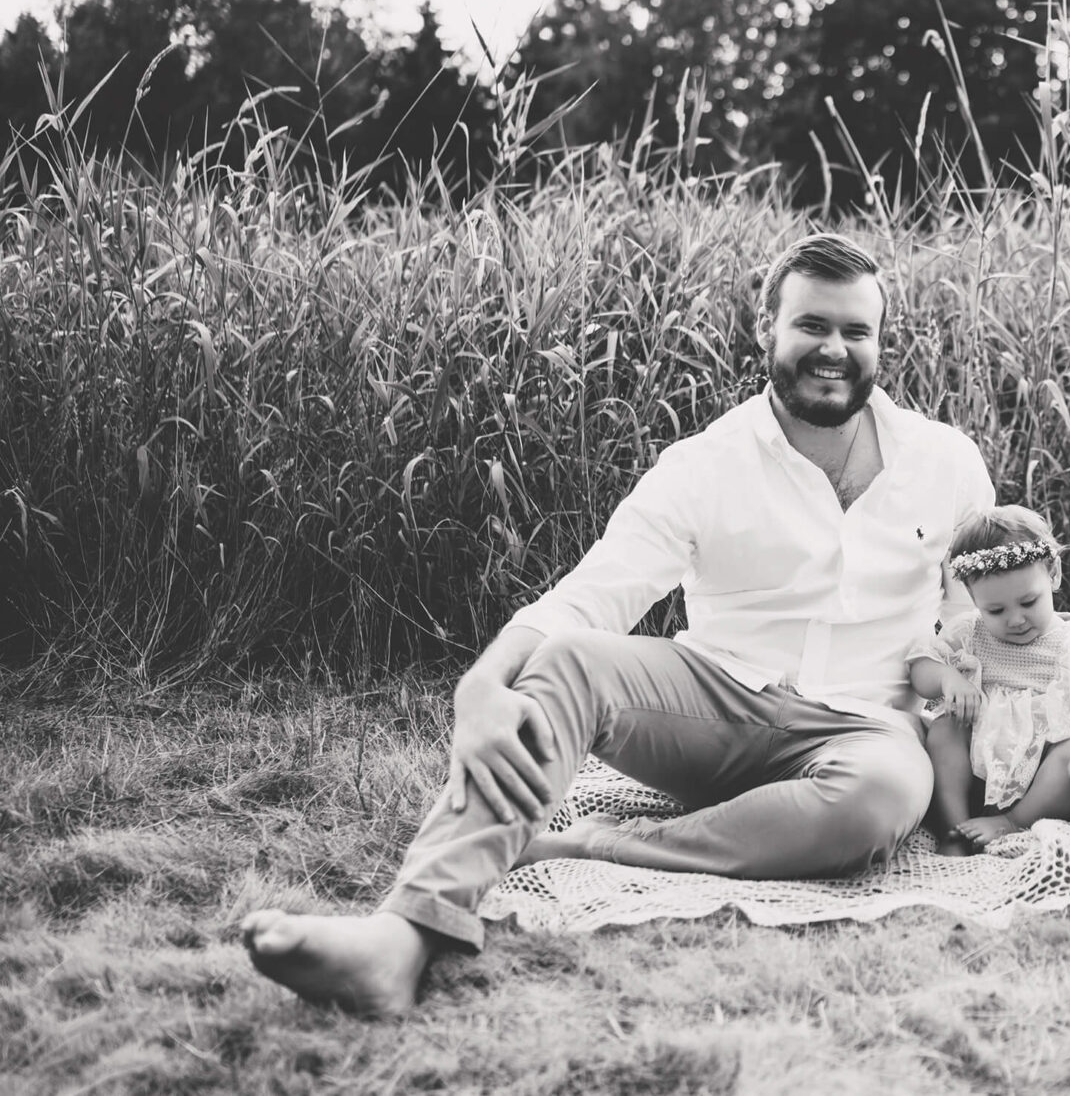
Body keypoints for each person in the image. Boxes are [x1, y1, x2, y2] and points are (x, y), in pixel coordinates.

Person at [240, 233, 996, 1013]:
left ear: (880, 342)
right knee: (568, 660)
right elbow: (592, 593)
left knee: (881, 794)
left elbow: (982, 608)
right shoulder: (706, 463)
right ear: (767, 328)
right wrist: (479, 685)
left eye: (855, 331)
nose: (833, 348)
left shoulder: (946, 462)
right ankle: (400, 936)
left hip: (865, 729)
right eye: (811, 325)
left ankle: (591, 843)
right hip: (718, 704)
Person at [907, 506, 1070, 854]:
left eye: (1028, 602)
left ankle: (1013, 823)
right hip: (978, 775)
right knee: (946, 728)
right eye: (996, 610)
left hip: (1049, 785)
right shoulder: (969, 633)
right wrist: (947, 678)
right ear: (974, 600)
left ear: (1053, 575)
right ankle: (955, 827)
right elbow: (920, 666)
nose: (1016, 619)